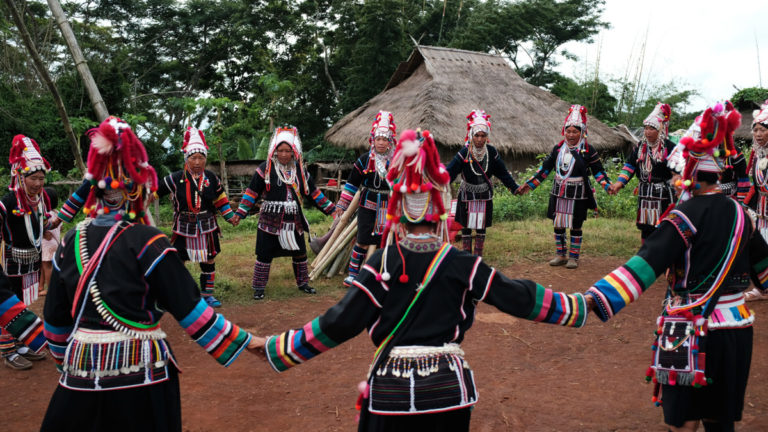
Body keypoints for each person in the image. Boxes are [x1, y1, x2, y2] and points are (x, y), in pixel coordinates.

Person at [248, 129, 589, 432]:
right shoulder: (462, 264)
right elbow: (518, 297)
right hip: (450, 391)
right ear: (442, 206)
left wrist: (278, 348)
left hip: (390, 393)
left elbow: (339, 323)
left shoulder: (382, 262)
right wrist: (579, 305)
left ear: (396, 208)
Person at [41, 116, 256, 431]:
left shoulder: (72, 242)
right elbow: (192, 312)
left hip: (80, 376)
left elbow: (55, 325)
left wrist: (66, 362)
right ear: (136, 188)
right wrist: (253, 344)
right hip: (143, 376)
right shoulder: (148, 241)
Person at [584, 102, 766, 432]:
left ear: (689, 172)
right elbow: (765, 271)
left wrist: (596, 299)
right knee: (719, 421)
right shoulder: (744, 216)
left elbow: (644, 265)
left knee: (683, 421)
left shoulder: (682, 218)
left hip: (687, 329)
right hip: (736, 328)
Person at [232, 126, 336, 299]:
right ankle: (259, 288)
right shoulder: (265, 169)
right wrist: (240, 213)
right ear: (274, 150)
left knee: (300, 252)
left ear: (294, 151)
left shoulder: (300, 171)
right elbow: (251, 193)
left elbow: (314, 193)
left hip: (293, 219)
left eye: (288, 150)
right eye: (280, 150)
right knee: (264, 253)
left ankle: (303, 283)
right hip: (269, 220)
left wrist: (332, 210)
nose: (284, 154)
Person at [516, 104, 613, 269]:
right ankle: (560, 254)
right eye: (568, 131)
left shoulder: (589, 150)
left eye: (575, 131)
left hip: (578, 193)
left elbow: (598, 172)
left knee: (576, 224)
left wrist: (607, 186)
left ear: (582, 132)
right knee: (558, 223)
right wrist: (530, 184)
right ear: (564, 132)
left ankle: (573, 257)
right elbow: (545, 169)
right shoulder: (558, 149)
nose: (571, 134)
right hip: (559, 191)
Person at [150, 127, 236, 307]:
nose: (197, 162)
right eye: (193, 158)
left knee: (209, 258)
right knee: (179, 260)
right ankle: (179, 294)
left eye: (201, 158)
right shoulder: (175, 178)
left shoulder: (211, 178)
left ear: (205, 159)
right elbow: (154, 192)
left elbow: (221, 200)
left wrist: (231, 217)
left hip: (207, 225)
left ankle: (207, 295)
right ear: (186, 159)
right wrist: (139, 207)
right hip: (183, 226)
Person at [0, 135, 56, 370]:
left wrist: (56, 220)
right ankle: (7, 350)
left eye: (41, 178)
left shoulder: (41, 199)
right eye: (33, 178)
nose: (38, 183)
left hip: (31, 261)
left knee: (23, 302)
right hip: (12, 261)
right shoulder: (6, 202)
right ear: (20, 177)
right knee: (8, 303)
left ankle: (21, 344)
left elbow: (45, 227)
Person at [446, 109, 519, 257]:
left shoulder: (492, 153)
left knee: (481, 226)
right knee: (466, 227)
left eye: (483, 135)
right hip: (467, 194)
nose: (479, 139)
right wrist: (435, 183)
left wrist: (515, 188)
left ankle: (478, 257)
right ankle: (467, 257)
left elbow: (503, 173)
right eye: (477, 135)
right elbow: (450, 172)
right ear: (471, 135)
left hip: (484, 195)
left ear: (487, 136)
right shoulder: (464, 153)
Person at [335, 111, 396, 286]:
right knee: (362, 240)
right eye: (378, 139)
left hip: (388, 205)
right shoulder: (364, 160)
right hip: (367, 205)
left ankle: (381, 276)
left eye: (385, 139)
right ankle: (353, 275)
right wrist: (342, 204)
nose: (382, 143)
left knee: (385, 242)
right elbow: (352, 183)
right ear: (373, 140)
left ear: (390, 141)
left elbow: (401, 183)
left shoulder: (396, 162)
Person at [610, 102, 677, 240]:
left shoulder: (670, 148)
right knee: (645, 228)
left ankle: (662, 258)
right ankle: (646, 257)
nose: (647, 132)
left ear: (661, 130)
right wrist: (619, 183)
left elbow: (678, 172)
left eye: (652, 129)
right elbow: (629, 166)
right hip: (645, 194)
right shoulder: (640, 147)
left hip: (664, 195)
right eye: (645, 128)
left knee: (663, 228)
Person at [744, 99, 768, 301]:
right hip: (760, 210)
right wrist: (743, 205)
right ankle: (763, 289)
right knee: (757, 249)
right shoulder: (756, 154)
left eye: (763, 130)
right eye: (756, 130)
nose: (758, 134)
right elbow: (754, 184)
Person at [40, 187, 60, 296]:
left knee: (47, 266)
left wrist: (43, 232)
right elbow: (60, 228)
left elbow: (40, 227)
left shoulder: (45, 215)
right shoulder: (56, 213)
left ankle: (50, 290)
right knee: (45, 264)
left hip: (47, 243)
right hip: (56, 243)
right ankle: (41, 286)